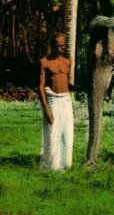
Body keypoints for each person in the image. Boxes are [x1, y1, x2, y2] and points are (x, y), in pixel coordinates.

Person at [38, 33, 74, 170]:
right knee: (52, 133)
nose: (59, 48)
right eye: (56, 45)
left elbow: (67, 82)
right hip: (52, 99)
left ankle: (66, 164)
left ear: (64, 45)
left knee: (67, 133)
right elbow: (40, 87)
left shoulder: (68, 61)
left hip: (66, 100)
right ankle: (52, 166)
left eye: (62, 45)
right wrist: (46, 108)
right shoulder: (44, 62)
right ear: (51, 45)